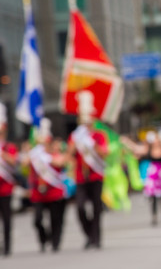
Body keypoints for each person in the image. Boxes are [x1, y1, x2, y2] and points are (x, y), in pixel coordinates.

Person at [67, 91, 108, 249]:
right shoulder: (75, 136)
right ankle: (89, 234)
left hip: (96, 175)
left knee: (97, 208)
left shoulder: (98, 136)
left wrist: (91, 142)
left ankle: (97, 238)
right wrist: (76, 142)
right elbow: (69, 155)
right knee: (80, 208)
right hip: (80, 177)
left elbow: (104, 153)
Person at [121, 132, 161, 226]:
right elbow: (136, 148)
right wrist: (127, 141)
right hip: (153, 175)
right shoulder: (148, 150)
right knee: (153, 197)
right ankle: (154, 216)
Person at [29, 118, 67, 253]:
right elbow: (23, 164)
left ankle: (55, 242)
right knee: (37, 219)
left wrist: (48, 157)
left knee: (55, 218)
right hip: (38, 191)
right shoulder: (34, 155)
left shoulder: (53, 154)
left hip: (54, 190)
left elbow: (61, 163)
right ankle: (44, 239)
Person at [0, 103, 18, 256]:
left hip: (5, 188)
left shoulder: (8, 146)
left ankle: (7, 246)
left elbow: (13, 162)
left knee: (6, 218)